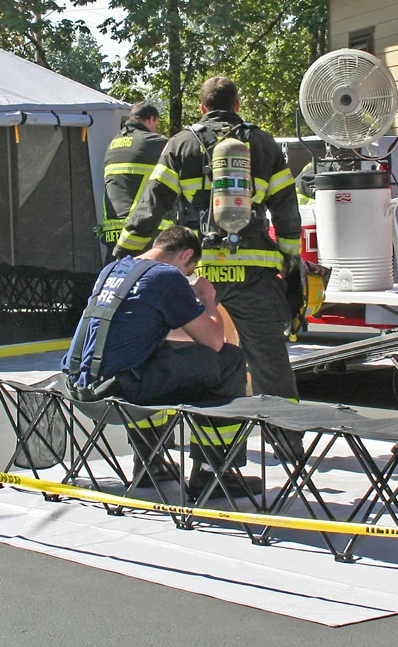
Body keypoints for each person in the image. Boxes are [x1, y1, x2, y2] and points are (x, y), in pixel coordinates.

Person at [114, 76, 304, 451]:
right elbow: (286, 207)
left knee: (193, 355)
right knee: (269, 361)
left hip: (196, 272)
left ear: (201, 108)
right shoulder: (262, 143)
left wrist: (124, 252)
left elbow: (151, 205)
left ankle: (178, 447)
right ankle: (288, 444)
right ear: (237, 105)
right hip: (254, 272)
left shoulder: (181, 143)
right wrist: (291, 260)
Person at [62, 225, 259, 498]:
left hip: (81, 386)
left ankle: (149, 464)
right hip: (121, 393)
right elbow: (215, 340)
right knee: (230, 361)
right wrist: (207, 299)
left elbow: (150, 327)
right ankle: (214, 474)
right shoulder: (166, 277)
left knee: (162, 358)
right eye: (188, 272)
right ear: (186, 254)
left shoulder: (114, 270)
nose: (186, 278)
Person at [99, 101, 169, 250]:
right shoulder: (153, 142)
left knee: (117, 271)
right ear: (151, 119)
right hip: (139, 227)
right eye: (155, 124)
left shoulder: (113, 144)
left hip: (112, 228)